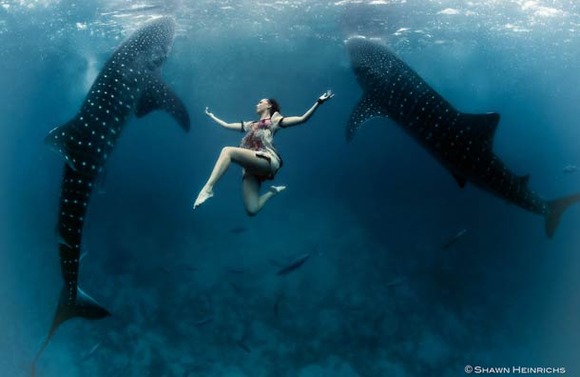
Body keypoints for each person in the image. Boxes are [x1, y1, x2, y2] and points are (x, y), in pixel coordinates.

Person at [193, 90, 334, 216]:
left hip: (266, 160)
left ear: (269, 106)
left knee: (227, 151)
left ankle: (208, 189)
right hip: (251, 168)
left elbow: (302, 119)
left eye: (260, 102)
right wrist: (211, 116)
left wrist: (318, 102)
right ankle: (273, 192)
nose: (257, 104)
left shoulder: (274, 120)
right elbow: (226, 125)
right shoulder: (250, 124)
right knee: (252, 210)